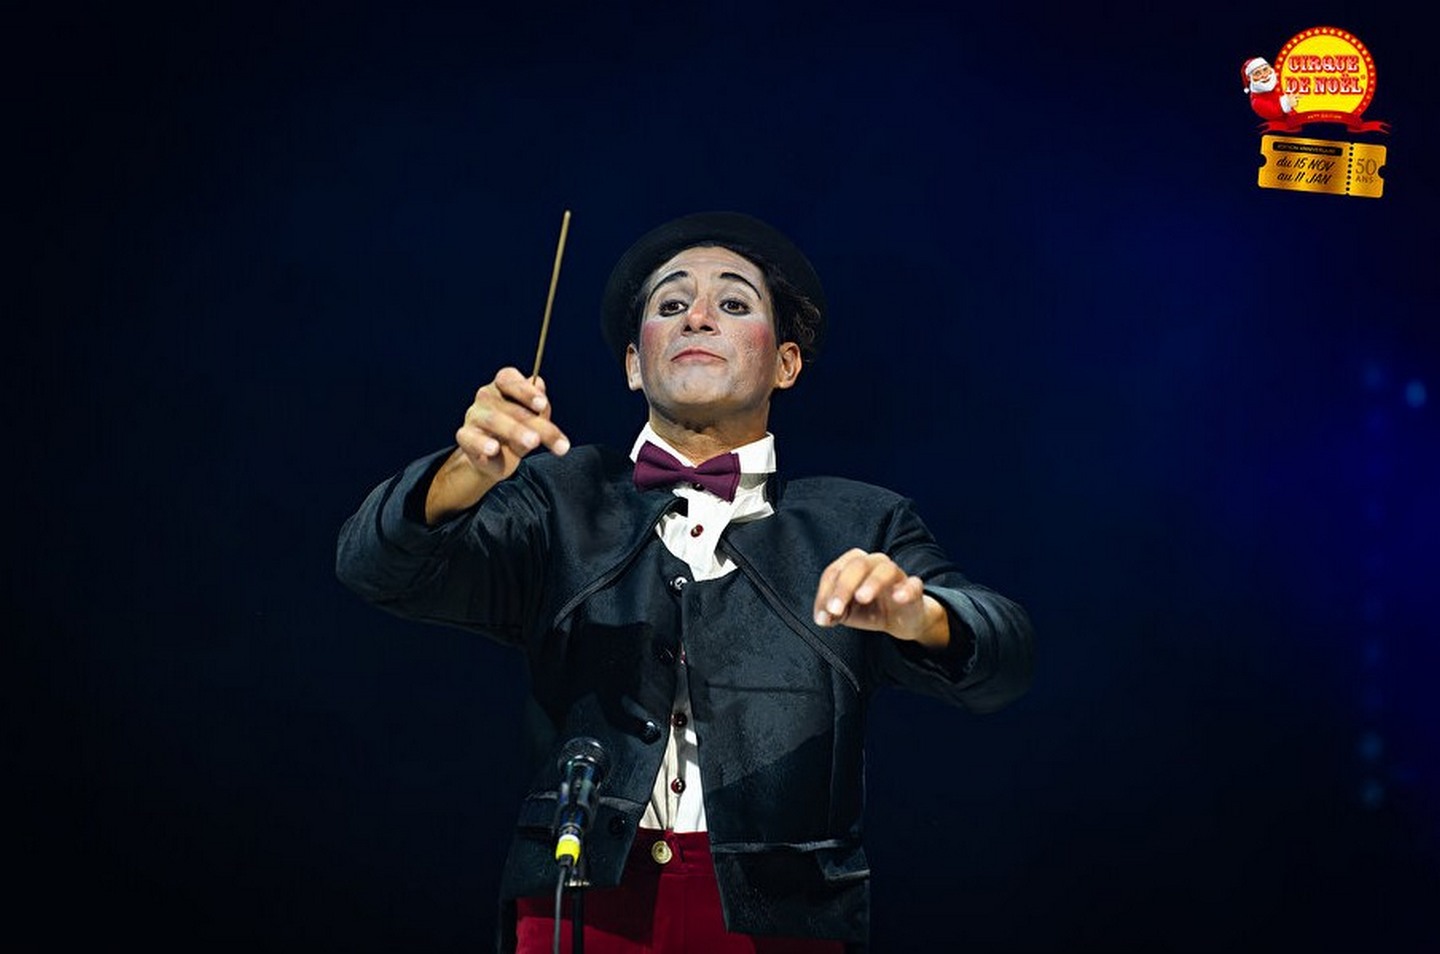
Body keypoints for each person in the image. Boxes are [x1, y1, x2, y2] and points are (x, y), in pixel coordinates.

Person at [336, 211, 1034, 953]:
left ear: (787, 364)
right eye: (670, 304)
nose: (697, 316)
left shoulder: (862, 521)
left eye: (733, 303)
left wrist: (923, 617)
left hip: (779, 921)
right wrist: (465, 471)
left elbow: (1006, 657)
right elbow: (375, 567)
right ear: (634, 364)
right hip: (582, 901)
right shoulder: (558, 498)